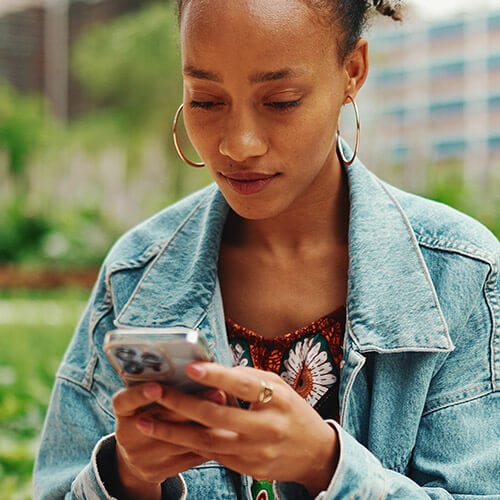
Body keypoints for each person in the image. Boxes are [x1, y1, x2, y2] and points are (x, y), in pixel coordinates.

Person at [34, 0, 500, 498]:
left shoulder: (461, 273)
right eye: (206, 100)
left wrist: (326, 465)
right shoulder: (136, 274)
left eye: (280, 100)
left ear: (353, 72)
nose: (240, 144)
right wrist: (127, 476)